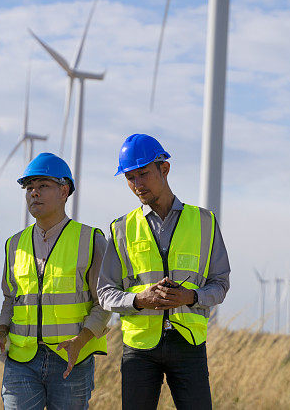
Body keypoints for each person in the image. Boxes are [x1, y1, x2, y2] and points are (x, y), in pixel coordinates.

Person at [98, 134, 231, 410]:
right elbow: (105, 293)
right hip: (139, 349)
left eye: (143, 174)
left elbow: (220, 284)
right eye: (130, 177)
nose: (137, 184)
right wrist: (138, 300)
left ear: (164, 168)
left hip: (188, 345)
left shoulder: (204, 222)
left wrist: (191, 297)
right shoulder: (120, 228)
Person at [0, 152, 110, 410]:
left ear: (64, 190)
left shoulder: (91, 240)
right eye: (29, 188)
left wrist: (80, 342)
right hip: (21, 361)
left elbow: (103, 303)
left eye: (43, 186)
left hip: (72, 361)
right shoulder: (14, 244)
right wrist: (0, 332)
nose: (34, 193)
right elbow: (10, 299)